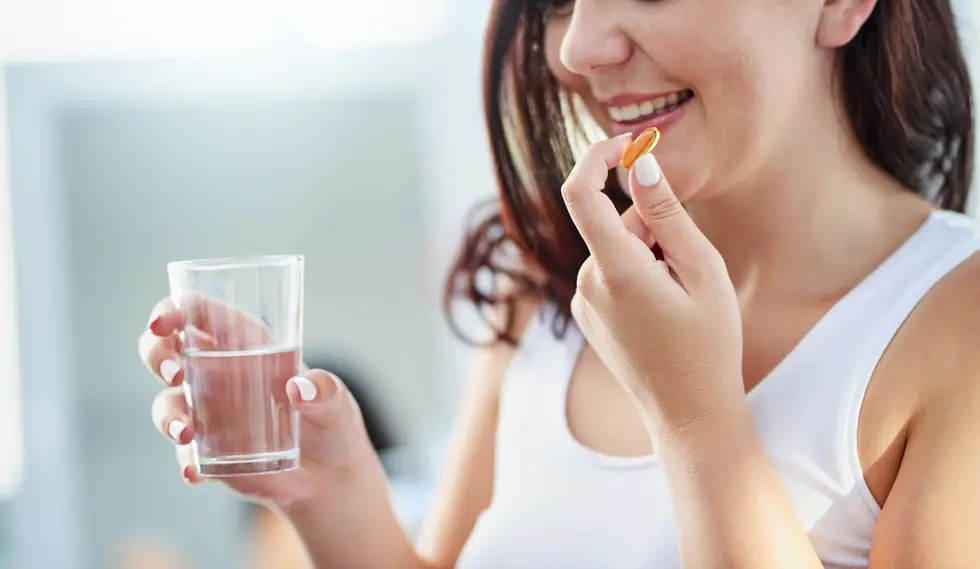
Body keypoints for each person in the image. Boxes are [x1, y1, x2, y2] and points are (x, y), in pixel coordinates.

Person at [138, 0, 980, 567]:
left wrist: (697, 418)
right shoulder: (548, 284)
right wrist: (327, 488)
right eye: (556, 1)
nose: (578, 47)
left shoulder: (954, 319)